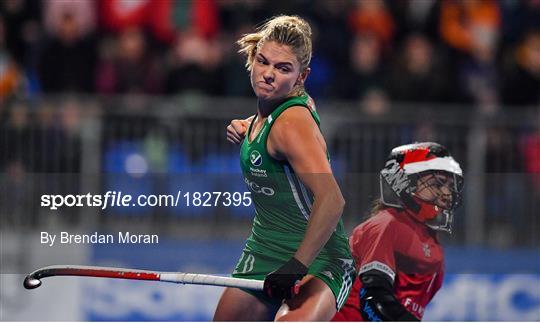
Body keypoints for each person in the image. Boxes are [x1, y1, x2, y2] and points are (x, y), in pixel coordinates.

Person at [215, 15, 355, 321]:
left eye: (283, 69)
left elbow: (333, 201)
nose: (268, 74)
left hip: (318, 259)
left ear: (301, 77)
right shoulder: (270, 116)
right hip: (264, 249)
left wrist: (297, 266)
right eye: (263, 62)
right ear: (251, 58)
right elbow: (272, 130)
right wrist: (247, 125)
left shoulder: (292, 122)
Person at [332, 142, 464, 321]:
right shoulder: (387, 225)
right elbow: (373, 299)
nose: (446, 193)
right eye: (436, 184)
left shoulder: (433, 245)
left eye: (449, 185)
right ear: (405, 183)